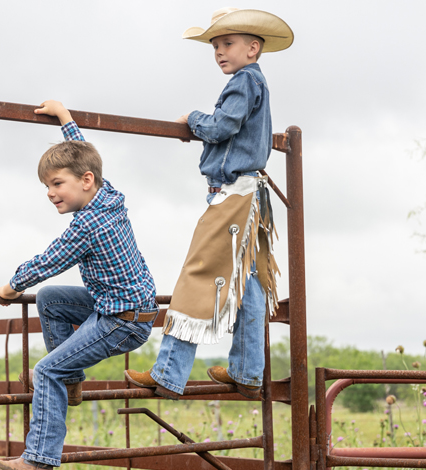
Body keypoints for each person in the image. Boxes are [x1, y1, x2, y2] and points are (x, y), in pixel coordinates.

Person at [125, 7, 293, 400]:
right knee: (248, 282)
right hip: (252, 195)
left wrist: (194, 120)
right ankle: (248, 371)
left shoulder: (243, 82)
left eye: (227, 43)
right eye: (215, 45)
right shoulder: (257, 83)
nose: (219, 51)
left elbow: (222, 126)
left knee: (198, 276)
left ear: (253, 48)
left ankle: (169, 372)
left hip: (232, 195)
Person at [0, 100, 158, 470]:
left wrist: (10, 288)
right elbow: (84, 156)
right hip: (123, 307)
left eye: (57, 183)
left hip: (121, 322)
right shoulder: (108, 195)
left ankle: (38, 460)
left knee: (45, 370)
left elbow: (48, 261)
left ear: (85, 182)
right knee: (50, 299)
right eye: (47, 185)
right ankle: (72, 380)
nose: (50, 192)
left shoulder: (86, 226)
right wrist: (65, 119)